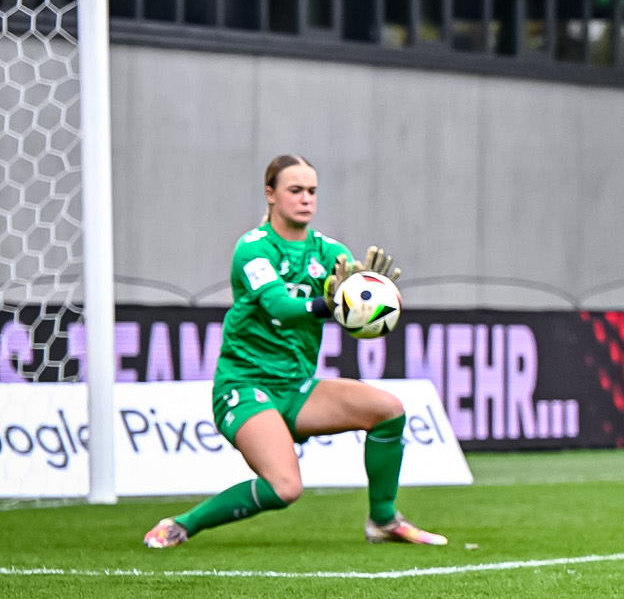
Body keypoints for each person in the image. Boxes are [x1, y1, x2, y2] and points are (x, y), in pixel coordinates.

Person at [143, 155, 445, 550]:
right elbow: (281, 308)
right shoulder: (253, 249)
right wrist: (334, 304)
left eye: (312, 191)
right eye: (295, 190)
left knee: (388, 411)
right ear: (270, 194)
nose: (306, 199)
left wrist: (377, 304)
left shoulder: (331, 252)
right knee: (285, 488)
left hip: (297, 387)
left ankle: (384, 520)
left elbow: (354, 318)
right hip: (245, 386)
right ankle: (183, 523)